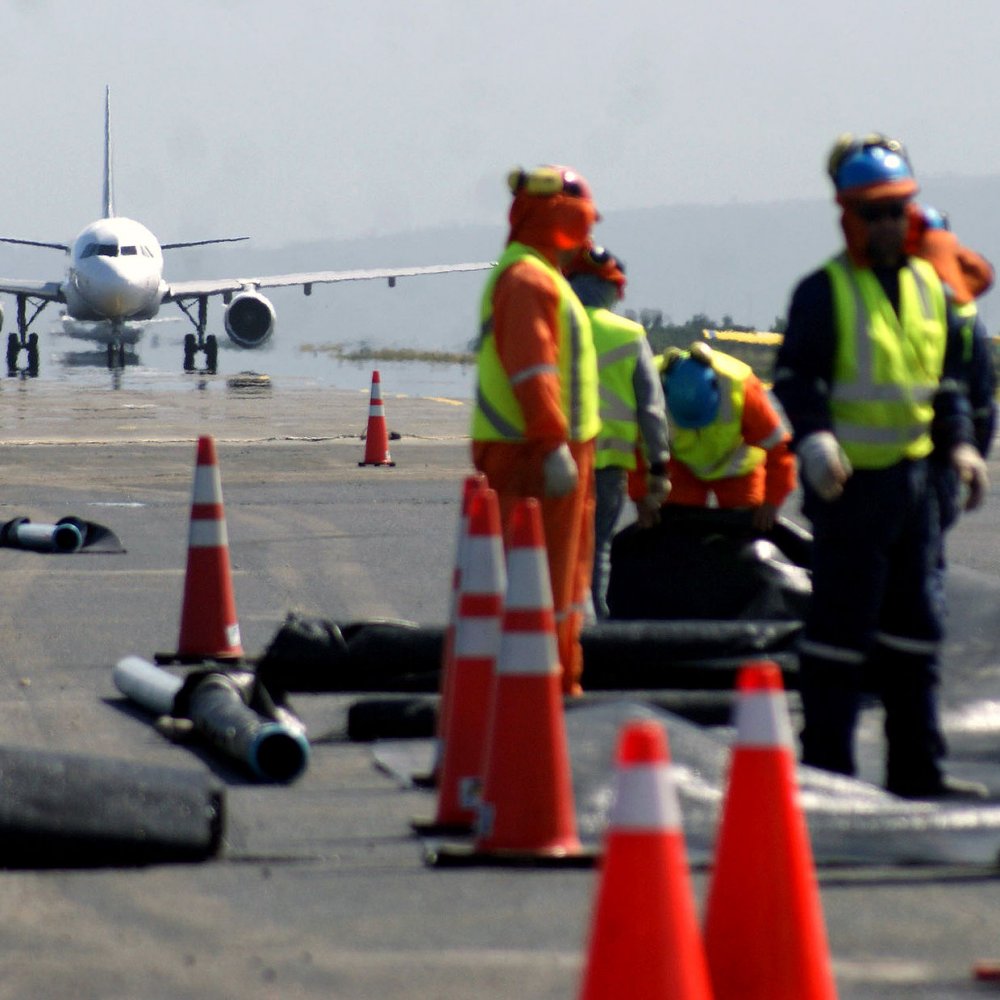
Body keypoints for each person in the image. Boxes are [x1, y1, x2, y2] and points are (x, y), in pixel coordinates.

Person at [773, 133, 990, 799]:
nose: (888, 223)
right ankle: (828, 772)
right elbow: (795, 377)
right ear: (848, 216)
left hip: (916, 488)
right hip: (851, 491)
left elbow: (948, 382)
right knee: (840, 634)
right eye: (873, 212)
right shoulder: (824, 292)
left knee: (916, 635)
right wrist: (813, 439)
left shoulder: (932, 289)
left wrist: (960, 444)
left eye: (897, 209)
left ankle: (916, 770)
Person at [470, 165, 602, 695]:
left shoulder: (538, 274)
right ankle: (538, 696)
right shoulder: (528, 279)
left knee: (561, 584)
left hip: (548, 455)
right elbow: (532, 369)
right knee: (540, 584)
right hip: (533, 458)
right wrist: (552, 444)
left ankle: (553, 688)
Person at [563, 243, 671, 619]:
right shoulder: (629, 334)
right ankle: (593, 625)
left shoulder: (551, 325)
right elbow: (652, 409)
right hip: (608, 464)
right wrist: (658, 467)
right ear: (614, 288)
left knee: (554, 546)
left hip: (554, 459)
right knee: (597, 548)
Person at [650, 341, 797, 532]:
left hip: (738, 466)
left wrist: (771, 502)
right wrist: (641, 498)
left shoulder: (742, 388)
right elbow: (634, 446)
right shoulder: (647, 384)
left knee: (746, 529)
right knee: (677, 525)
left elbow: (780, 448)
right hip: (681, 465)